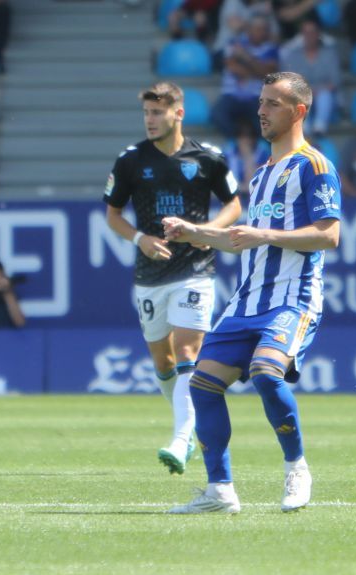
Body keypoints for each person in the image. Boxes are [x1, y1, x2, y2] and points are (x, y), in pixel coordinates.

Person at [162, 71, 341, 514]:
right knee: (202, 386)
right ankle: (219, 491)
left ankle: (296, 467)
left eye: (273, 103)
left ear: (298, 111)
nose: (261, 110)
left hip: (291, 298)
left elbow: (329, 235)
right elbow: (240, 238)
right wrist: (194, 232)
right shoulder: (261, 174)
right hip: (245, 302)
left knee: (265, 372)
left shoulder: (314, 165)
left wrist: (266, 235)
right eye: (261, 102)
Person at [104, 81, 242, 475]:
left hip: (194, 271)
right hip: (150, 274)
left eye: (157, 113)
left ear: (178, 113)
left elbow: (234, 205)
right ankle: (189, 420)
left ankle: (182, 440)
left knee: (186, 354)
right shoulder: (131, 161)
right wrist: (140, 238)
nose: (150, 120)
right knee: (162, 361)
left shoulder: (207, 158)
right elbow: (113, 215)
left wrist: (207, 232)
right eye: (146, 113)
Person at [211, 13, 279, 139]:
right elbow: (231, 66)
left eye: (264, 29)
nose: (262, 32)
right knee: (217, 115)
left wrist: (245, 57)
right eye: (258, 29)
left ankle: (258, 146)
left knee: (267, 119)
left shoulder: (271, 49)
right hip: (231, 94)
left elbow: (268, 73)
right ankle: (238, 142)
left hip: (256, 97)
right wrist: (256, 69)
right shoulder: (234, 42)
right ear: (249, 29)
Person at [278, 17, 340, 137]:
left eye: (312, 32)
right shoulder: (293, 55)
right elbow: (289, 80)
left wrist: (319, 89)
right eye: (306, 32)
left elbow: (335, 80)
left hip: (324, 91)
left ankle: (320, 127)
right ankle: (303, 127)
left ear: (318, 34)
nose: (309, 36)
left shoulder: (329, 53)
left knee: (325, 95)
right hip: (301, 92)